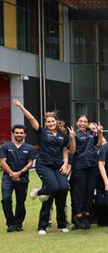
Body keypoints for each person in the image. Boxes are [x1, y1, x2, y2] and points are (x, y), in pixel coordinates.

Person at [14, 99, 74, 234]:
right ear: (45, 123)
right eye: (48, 122)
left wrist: (65, 163)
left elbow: (65, 150)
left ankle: (61, 224)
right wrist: (21, 107)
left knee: (63, 189)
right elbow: (31, 119)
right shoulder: (41, 132)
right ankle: (42, 224)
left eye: (53, 121)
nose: (51, 123)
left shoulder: (63, 136)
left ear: (57, 122)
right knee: (52, 188)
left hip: (59, 166)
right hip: (44, 165)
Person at [70, 115, 103, 230]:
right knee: (79, 193)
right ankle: (78, 216)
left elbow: (99, 144)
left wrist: (99, 133)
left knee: (89, 192)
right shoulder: (74, 134)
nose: (83, 123)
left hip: (92, 166)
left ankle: (87, 216)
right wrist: (73, 138)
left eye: (85, 122)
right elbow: (72, 150)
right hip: (80, 167)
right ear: (76, 122)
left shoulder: (90, 134)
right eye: (80, 121)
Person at [0, 125, 35, 232]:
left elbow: (30, 163)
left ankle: (18, 224)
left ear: (25, 134)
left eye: (21, 133)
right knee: (6, 199)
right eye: (17, 132)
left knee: (21, 201)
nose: (19, 135)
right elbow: (2, 161)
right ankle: (10, 224)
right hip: (7, 177)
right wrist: (12, 173)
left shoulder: (30, 148)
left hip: (22, 178)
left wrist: (19, 173)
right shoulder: (5, 146)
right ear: (13, 133)